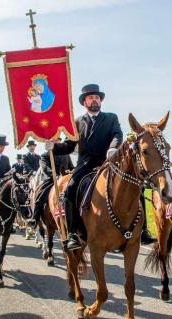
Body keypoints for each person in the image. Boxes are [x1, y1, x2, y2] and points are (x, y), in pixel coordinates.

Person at [45, 84, 122, 251]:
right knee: (70, 190)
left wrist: (113, 148)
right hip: (85, 165)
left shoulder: (111, 118)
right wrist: (54, 147)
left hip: (107, 162)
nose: (94, 100)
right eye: (91, 98)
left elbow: (117, 135)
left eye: (97, 97)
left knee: (132, 183)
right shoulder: (77, 122)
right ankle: (73, 234)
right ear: (84, 102)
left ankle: (141, 230)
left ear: (100, 100)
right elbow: (69, 146)